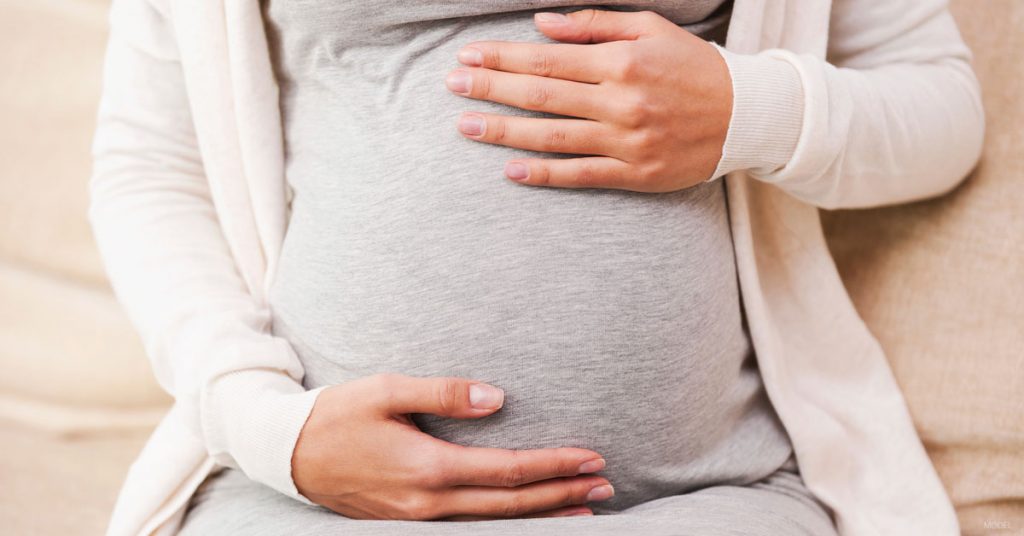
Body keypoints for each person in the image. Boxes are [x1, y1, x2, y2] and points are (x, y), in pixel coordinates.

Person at [88, 0, 984, 535]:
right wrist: (262, 425)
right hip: (313, 506)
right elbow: (149, 166)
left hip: (702, 503)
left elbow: (941, 103)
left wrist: (749, 109)